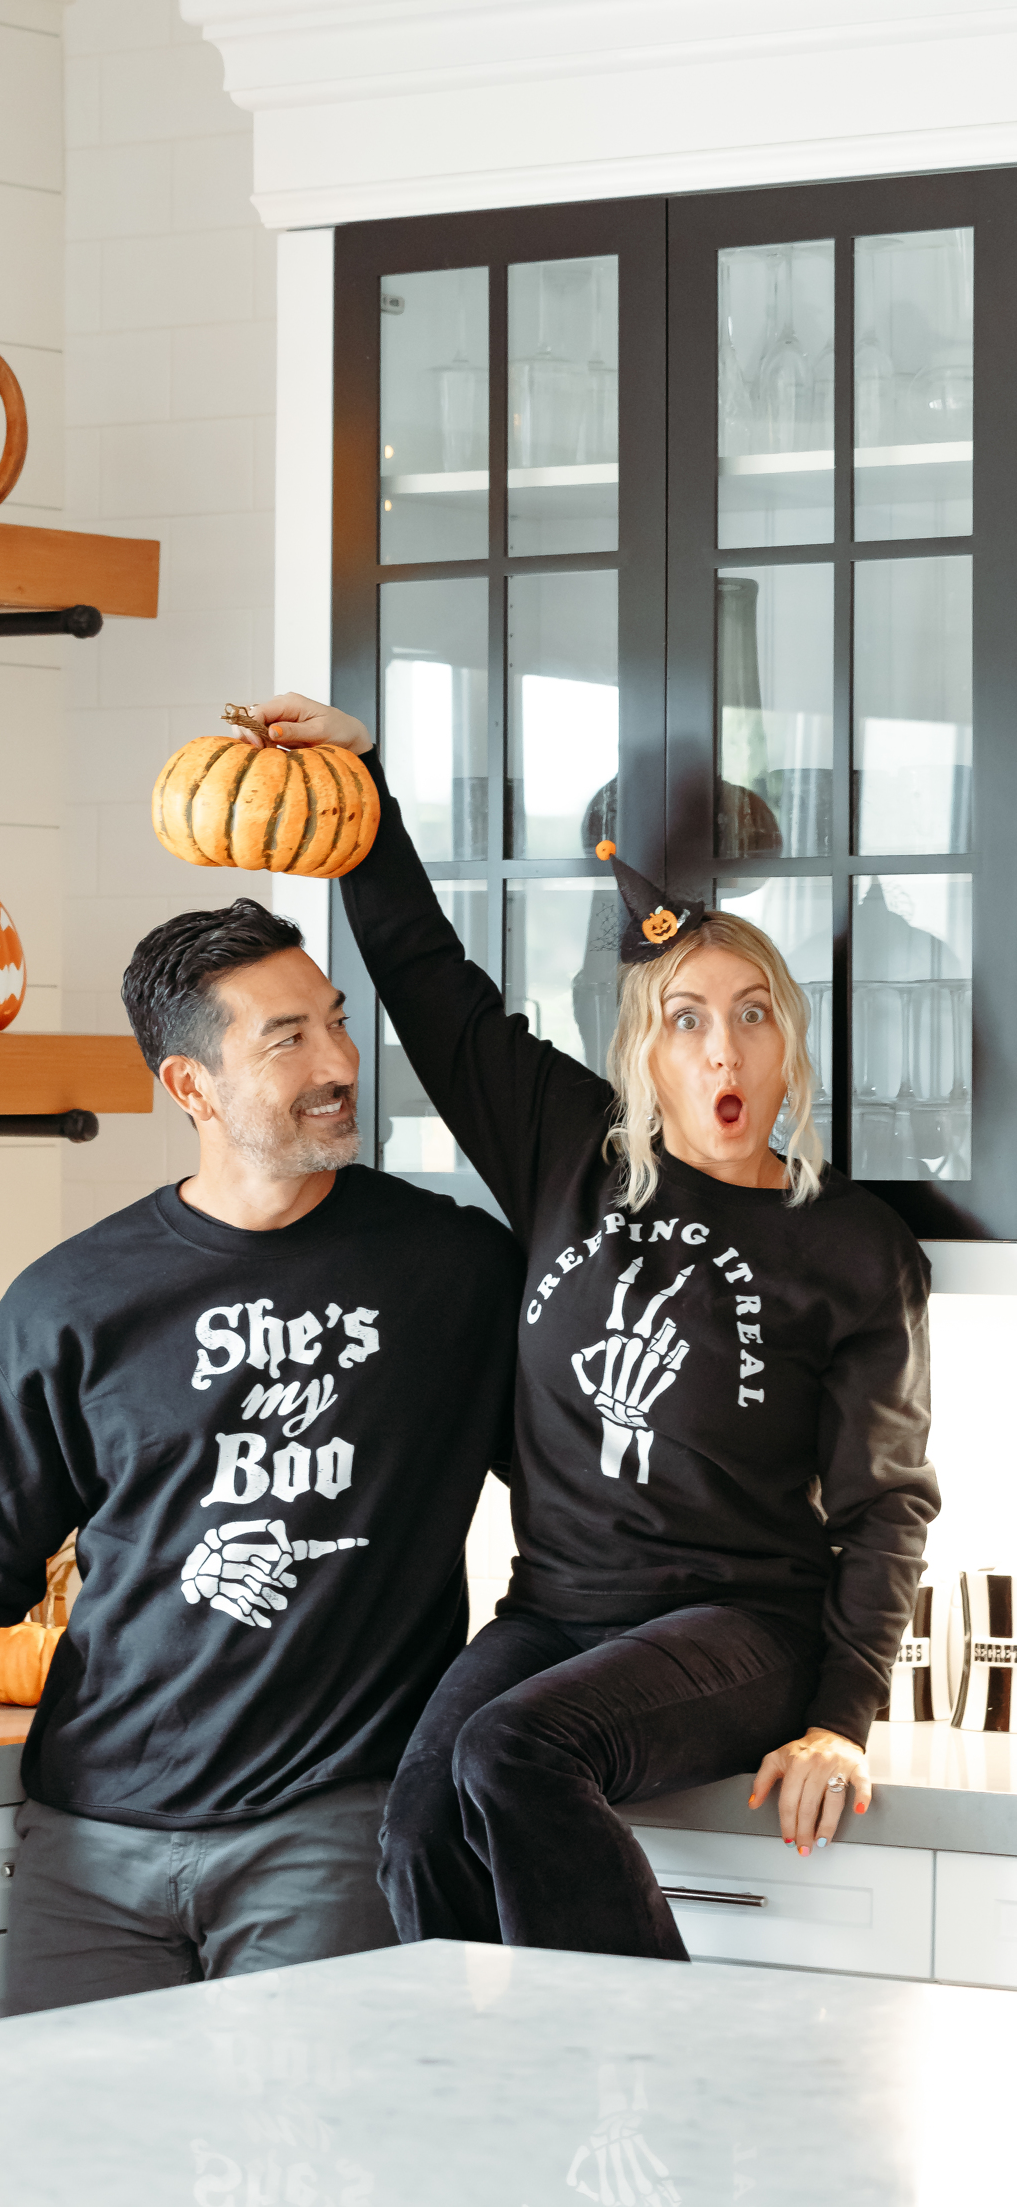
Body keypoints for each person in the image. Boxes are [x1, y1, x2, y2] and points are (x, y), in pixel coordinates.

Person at [0, 899, 523, 2009]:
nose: (337, 1062)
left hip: (326, 1827)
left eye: (332, 1022)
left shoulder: (450, 1272)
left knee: (310, 2174)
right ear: (190, 1087)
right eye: (286, 1039)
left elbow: (589, 1484)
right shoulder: (76, 1296)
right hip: (89, 1845)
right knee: (73, 2161)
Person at [230, 693, 938, 1964]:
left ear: (788, 1052)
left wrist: (840, 1716)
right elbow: (427, 980)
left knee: (513, 1749)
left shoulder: (851, 1246)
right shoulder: (568, 1151)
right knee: (416, 1818)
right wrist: (360, 779)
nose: (723, 1046)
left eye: (752, 1014)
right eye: (686, 1018)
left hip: (739, 1626)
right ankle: (502, 2105)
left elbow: (887, 1505)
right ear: (643, 1056)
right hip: (553, 1609)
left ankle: (652, 2074)